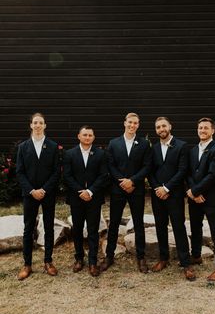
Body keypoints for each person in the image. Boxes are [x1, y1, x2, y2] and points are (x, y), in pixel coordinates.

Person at [100, 112, 152, 273]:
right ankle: (109, 256)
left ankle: (141, 257)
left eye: (135, 123)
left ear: (138, 125)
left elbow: (147, 166)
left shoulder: (144, 144)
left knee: (138, 223)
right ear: (124, 123)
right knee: (114, 223)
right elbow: (110, 165)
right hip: (118, 189)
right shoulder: (114, 143)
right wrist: (123, 181)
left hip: (136, 189)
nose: (132, 125)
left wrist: (133, 181)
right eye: (130, 122)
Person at [149, 117, 195, 281]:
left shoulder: (181, 146)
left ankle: (186, 263)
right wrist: (157, 188)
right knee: (160, 226)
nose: (161, 129)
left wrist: (167, 188)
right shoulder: (153, 148)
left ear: (170, 127)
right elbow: (150, 171)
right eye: (158, 127)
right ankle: (163, 258)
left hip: (174, 195)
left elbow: (183, 170)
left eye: (163, 126)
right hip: (157, 195)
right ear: (156, 130)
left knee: (178, 227)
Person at [16, 112, 60, 280]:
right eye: (35, 122)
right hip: (29, 194)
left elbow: (56, 172)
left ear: (45, 125)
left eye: (41, 122)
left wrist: (44, 190)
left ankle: (48, 261)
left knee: (49, 227)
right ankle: (27, 264)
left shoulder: (53, 146)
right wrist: (31, 190)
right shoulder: (23, 147)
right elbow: (20, 172)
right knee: (28, 229)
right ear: (31, 125)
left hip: (47, 194)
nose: (38, 125)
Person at [63, 126, 108, 277]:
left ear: (93, 137)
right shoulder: (69, 154)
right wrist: (80, 191)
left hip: (94, 198)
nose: (87, 137)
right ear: (79, 136)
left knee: (93, 230)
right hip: (76, 198)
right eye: (84, 135)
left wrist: (90, 191)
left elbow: (103, 175)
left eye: (90, 135)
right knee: (77, 229)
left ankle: (93, 261)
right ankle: (79, 258)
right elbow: (67, 176)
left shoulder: (101, 154)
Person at [186, 117, 215, 281]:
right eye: (200, 128)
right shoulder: (193, 150)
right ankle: (196, 256)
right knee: (195, 229)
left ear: (213, 130)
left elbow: (212, 175)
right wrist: (193, 193)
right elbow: (188, 173)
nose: (202, 130)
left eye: (206, 128)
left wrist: (195, 190)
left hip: (211, 199)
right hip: (195, 199)